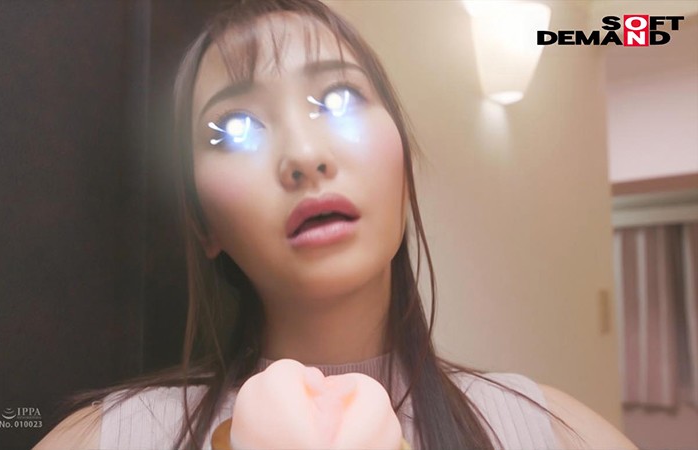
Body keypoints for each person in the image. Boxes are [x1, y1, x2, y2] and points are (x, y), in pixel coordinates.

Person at [35, 1, 637, 448]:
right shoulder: (104, 439)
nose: (303, 156)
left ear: (402, 166)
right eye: (236, 129)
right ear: (204, 224)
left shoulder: (559, 434)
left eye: (339, 100)